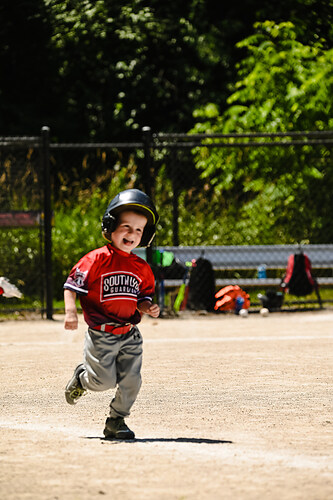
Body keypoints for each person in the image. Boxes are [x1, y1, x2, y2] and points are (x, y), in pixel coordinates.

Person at [64, 189, 160, 440]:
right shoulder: (96, 260)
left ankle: (116, 420)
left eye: (139, 230)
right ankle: (83, 378)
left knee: (132, 381)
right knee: (102, 382)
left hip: (130, 334)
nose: (132, 233)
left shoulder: (141, 268)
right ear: (110, 226)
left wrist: (147, 307)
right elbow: (71, 286)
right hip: (102, 335)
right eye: (126, 226)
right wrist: (70, 313)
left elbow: (142, 298)